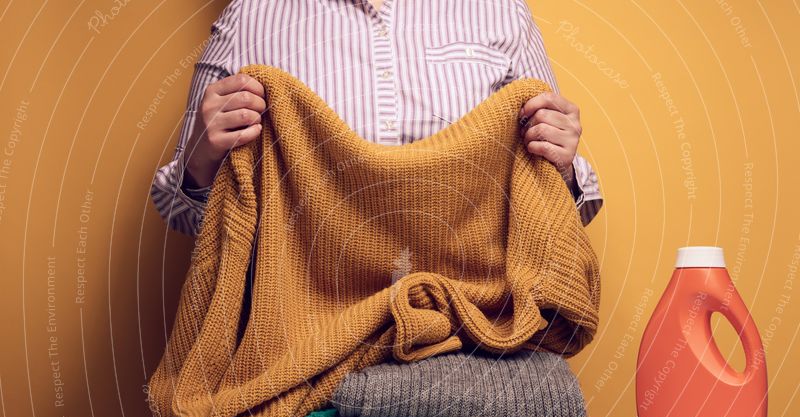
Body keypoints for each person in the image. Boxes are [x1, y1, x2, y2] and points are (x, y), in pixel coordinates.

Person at [150, 0, 603, 237]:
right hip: (300, 321)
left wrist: (562, 168)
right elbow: (181, 213)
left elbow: (563, 209)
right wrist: (200, 160)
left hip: (475, 325)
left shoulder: (499, 10)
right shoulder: (250, 17)